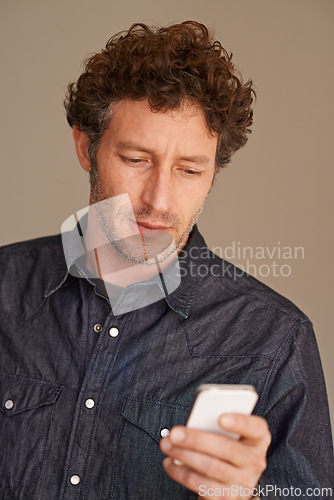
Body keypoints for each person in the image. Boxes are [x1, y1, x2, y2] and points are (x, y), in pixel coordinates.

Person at [0, 21, 333, 500]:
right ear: (85, 148)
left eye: (190, 170)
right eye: (136, 159)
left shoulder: (275, 339)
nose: (158, 200)